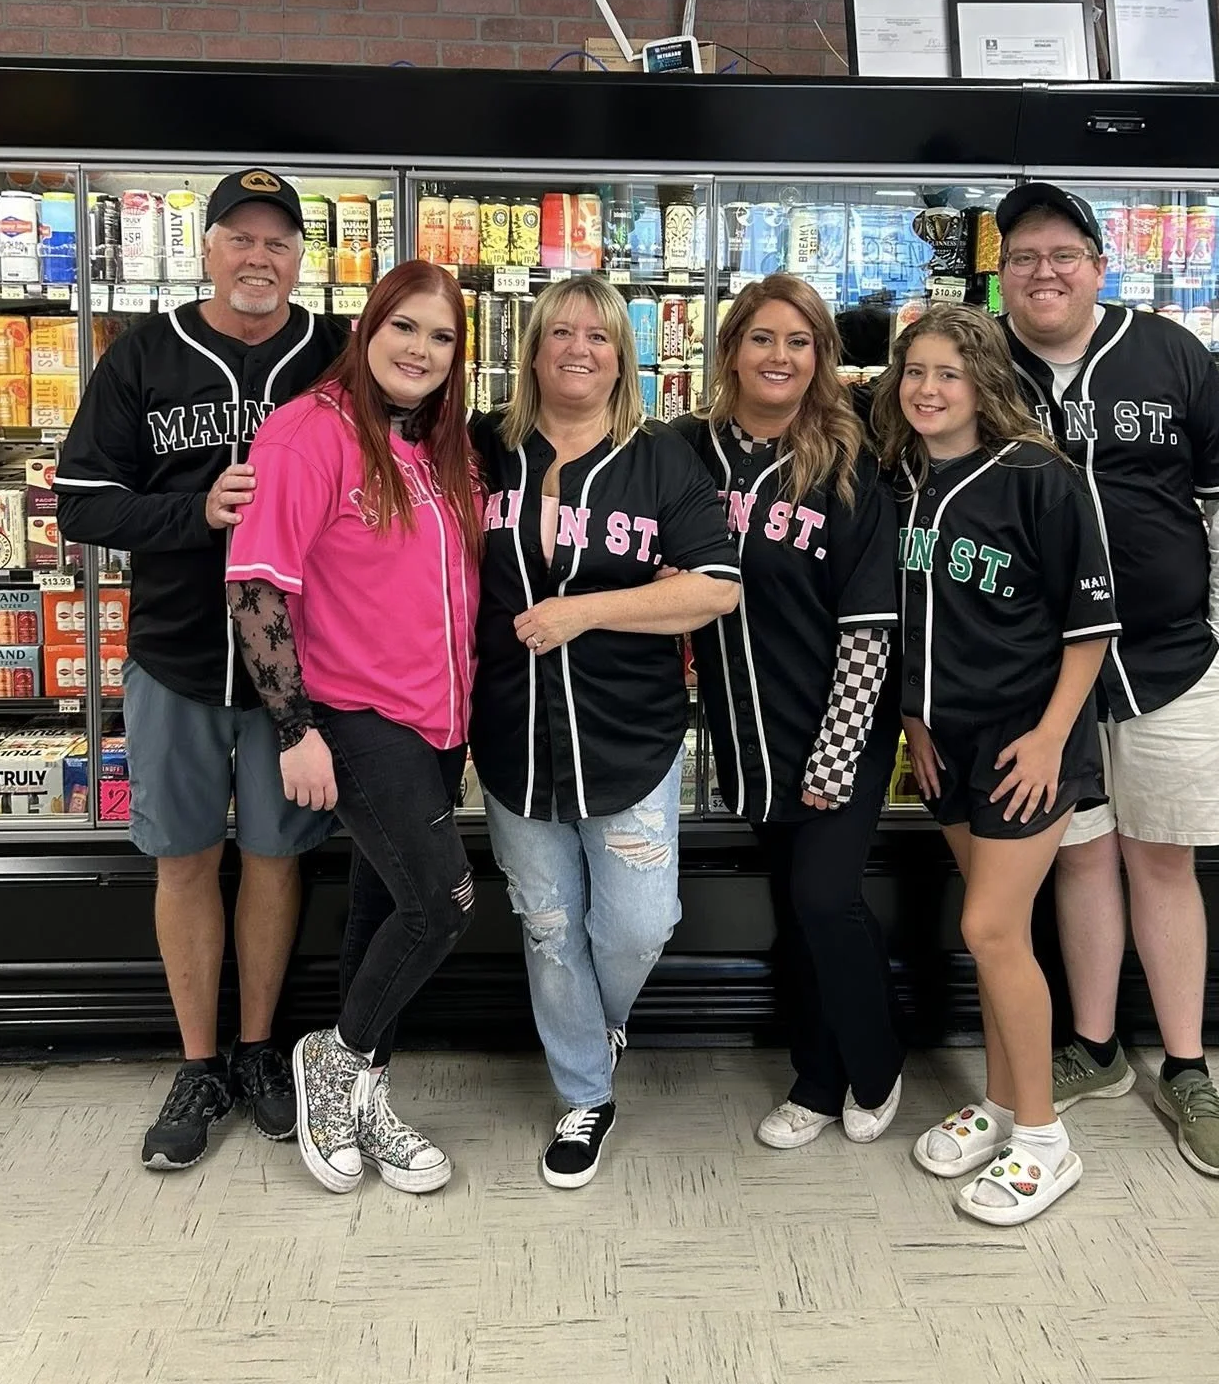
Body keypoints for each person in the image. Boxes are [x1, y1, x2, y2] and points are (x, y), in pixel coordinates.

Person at [56, 169, 346, 1171]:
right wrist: (195, 513)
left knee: (276, 856)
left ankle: (261, 1047)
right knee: (184, 858)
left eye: (278, 241)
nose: (258, 257)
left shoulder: (338, 352)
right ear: (207, 246)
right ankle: (198, 1061)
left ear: (302, 256)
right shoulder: (143, 353)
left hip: (296, 674)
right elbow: (83, 500)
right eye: (239, 237)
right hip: (176, 655)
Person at [995, 182, 1219, 1179]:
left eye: (1063, 252)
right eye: (1023, 255)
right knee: (1077, 855)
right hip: (1035, 670)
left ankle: (1187, 1064)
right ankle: (1099, 1047)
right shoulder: (983, 361)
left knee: (1163, 859)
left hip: (1168, 657)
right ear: (1003, 272)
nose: (1044, 271)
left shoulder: (1169, 351)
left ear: (1098, 264)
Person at [471, 277, 740, 1190]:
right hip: (512, 735)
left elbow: (714, 586)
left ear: (624, 355)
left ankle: (597, 1020)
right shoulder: (482, 448)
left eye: (599, 335)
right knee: (549, 928)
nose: (578, 348)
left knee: (636, 925)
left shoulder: (660, 457)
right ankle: (585, 1089)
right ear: (533, 347)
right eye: (560, 332)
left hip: (629, 736)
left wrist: (588, 612)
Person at [225, 259, 481, 1195]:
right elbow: (255, 586)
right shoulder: (307, 434)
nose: (421, 349)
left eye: (442, 337)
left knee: (384, 909)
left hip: (436, 722)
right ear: (369, 328)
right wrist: (294, 728)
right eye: (405, 327)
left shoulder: (436, 447)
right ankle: (335, 1062)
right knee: (443, 903)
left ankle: (365, 1101)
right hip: (356, 717)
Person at [872, 304, 1118, 1224]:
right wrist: (911, 714)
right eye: (915, 372)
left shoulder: (1040, 479)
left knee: (990, 930)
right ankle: (1005, 1100)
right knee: (996, 932)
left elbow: (1089, 628)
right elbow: (902, 614)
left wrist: (1055, 735)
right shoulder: (900, 479)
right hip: (946, 742)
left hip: (1027, 742)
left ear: (984, 383)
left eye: (949, 373)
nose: (928, 389)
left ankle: (1047, 1143)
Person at [671, 274, 904, 1151]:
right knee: (797, 903)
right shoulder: (687, 449)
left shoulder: (848, 457)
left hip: (836, 721)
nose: (781, 357)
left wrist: (837, 753)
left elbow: (871, 622)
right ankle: (817, 1071)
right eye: (763, 338)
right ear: (730, 348)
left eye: (800, 342)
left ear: (823, 356)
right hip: (744, 727)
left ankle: (869, 1064)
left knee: (824, 895)